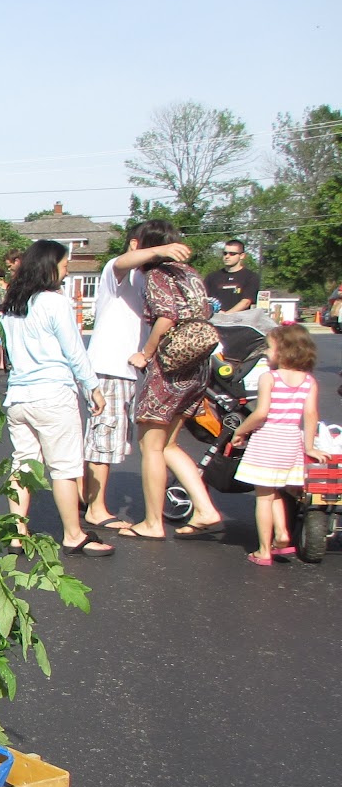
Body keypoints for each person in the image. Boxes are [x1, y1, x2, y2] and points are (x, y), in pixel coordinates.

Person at [0, 240, 113, 557]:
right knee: (64, 467)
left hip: (18, 397)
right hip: (53, 394)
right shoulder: (54, 302)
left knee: (23, 466)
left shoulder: (11, 305)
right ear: (49, 267)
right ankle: (73, 534)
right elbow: (74, 351)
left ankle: (17, 535)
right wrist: (93, 387)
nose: (67, 270)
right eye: (64, 265)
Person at [81, 221, 192, 531]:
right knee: (105, 437)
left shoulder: (150, 280)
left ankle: (87, 496)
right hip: (109, 367)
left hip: (129, 370)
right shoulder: (121, 274)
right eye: (153, 250)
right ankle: (96, 508)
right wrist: (157, 250)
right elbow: (120, 262)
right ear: (135, 245)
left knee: (112, 437)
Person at [121, 236, 224, 540]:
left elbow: (166, 315)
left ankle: (153, 523)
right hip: (198, 368)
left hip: (171, 368)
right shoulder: (189, 273)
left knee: (150, 445)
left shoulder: (157, 275)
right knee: (168, 445)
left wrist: (146, 352)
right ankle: (205, 509)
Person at [231, 324, 325, 564]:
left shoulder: (269, 378)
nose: (266, 353)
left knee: (263, 495)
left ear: (284, 351)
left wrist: (240, 430)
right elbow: (311, 414)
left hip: (268, 438)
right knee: (275, 491)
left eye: (269, 348)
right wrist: (309, 446)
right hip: (291, 438)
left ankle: (264, 550)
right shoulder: (309, 381)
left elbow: (261, 413)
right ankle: (282, 533)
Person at [203, 239, 260, 316]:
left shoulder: (250, 277)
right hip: (215, 321)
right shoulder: (212, 277)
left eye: (232, 254)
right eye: (225, 253)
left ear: (242, 256)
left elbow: (246, 302)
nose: (227, 256)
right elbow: (204, 299)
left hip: (239, 322)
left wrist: (226, 315)